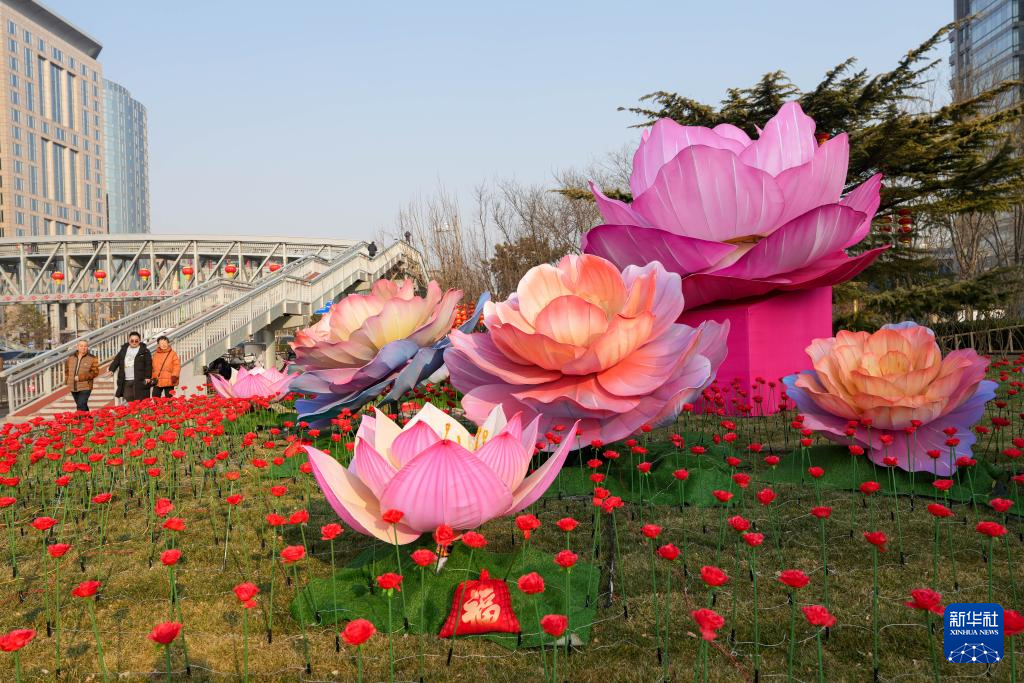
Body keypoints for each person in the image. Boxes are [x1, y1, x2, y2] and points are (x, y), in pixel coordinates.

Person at [108, 331, 152, 403]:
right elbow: (117, 360)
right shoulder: (124, 350)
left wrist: (148, 376)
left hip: (139, 379)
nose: (134, 342)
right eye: (132, 340)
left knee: (139, 398)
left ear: (139, 341)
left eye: (136, 341)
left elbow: (148, 364)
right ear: (129, 340)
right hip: (126, 379)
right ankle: (133, 409)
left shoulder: (145, 351)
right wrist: (111, 369)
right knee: (127, 396)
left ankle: (138, 410)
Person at [65, 339, 100, 411]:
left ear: (87, 347)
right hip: (73, 386)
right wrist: (67, 381)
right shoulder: (70, 358)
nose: (83, 348)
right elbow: (67, 370)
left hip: (86, 386)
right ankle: (88, 417)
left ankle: (80, 418)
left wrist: (81, 377)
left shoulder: (92, 358)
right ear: (77, 347)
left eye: (85, 346)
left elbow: (95, 372)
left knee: (80, 405)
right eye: (81, 346)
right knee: (82, 405)